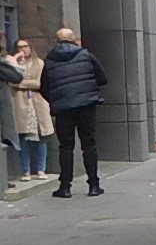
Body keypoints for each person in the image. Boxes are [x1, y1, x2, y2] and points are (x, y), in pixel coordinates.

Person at [40, 27, 108, 198]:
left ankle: (65, 187)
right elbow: (102, 79)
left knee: (65, 147)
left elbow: (44, 87)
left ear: (57, 41)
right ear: (74, 39)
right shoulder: (86, 55)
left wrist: (57, 99)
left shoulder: (50, 60)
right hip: (86, 106)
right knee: (89, 144)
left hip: (63, 109)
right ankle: (94, 185)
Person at [10, 38, 53, 181]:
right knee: (23, 139)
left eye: (25, 46)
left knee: (41, 137)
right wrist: (24, 83)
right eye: (19, 47)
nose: (23, 49)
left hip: (38, 104)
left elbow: (40, 83)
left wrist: (21, 84)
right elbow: (11, 82)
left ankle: (41, 169)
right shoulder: (13, 63)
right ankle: (26, 171)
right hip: (21, 104)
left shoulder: (39, 63)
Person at [0, 31, 23, 184]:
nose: (5, 40)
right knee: (1, 136)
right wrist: (13, 63)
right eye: (2, 37)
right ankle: (2, 177)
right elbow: (16, 77)